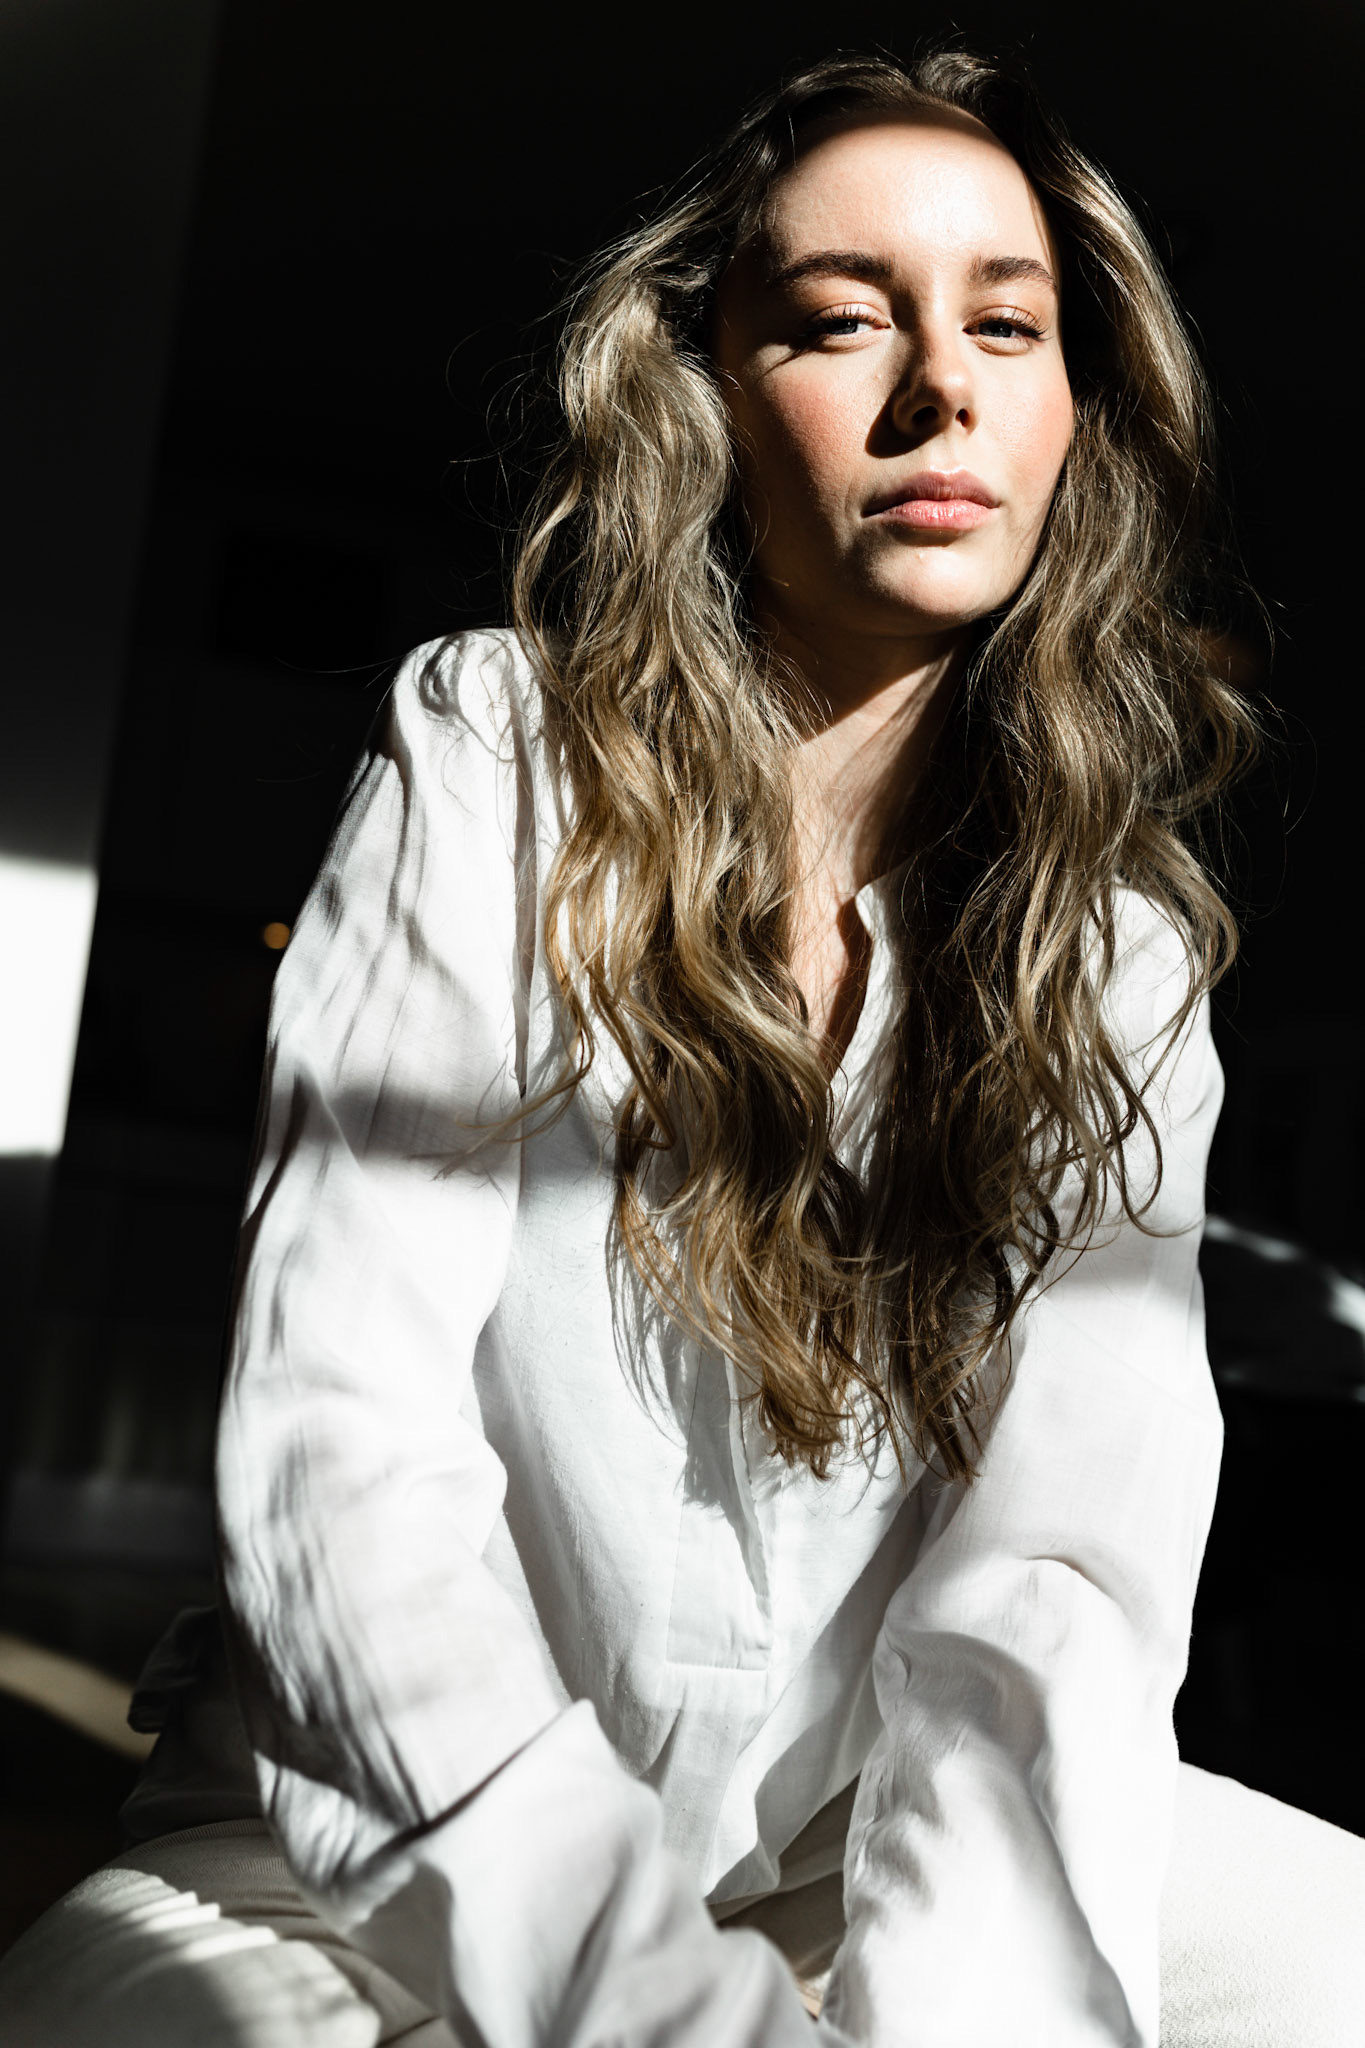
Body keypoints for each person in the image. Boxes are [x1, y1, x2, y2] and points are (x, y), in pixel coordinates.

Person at [3, 47, 1363, 2048]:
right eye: (839, 319)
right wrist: (662, 2012)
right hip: (352, 1871)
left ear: (1077, 409)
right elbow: (345, 1460)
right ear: (706, 395)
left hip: (848, 1864)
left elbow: (1050, 1594)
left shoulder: (1119, 955)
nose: (940, 387)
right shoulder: (493, 761)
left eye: (1007, 323)